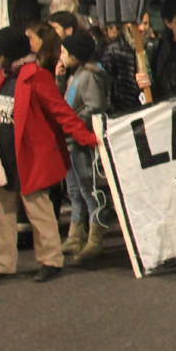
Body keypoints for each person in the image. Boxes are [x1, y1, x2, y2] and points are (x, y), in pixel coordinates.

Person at [0, 26, 98, 285]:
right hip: (4, 157)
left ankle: (51, 260)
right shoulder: (6, 78)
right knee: (1, 213)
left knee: (39, 211)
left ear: (8, 54)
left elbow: (62, 113)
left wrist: (89, 139)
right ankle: (3, 264)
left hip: (29, 157)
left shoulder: (36, 77)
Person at [57, 31, 112, 262]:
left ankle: (95, 239)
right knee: (74, 191)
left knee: (89, 190)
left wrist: (75, 122)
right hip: (70, 141)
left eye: (64, 53)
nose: (61, 56)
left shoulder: (88, 76)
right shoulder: (75, 75)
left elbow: (95, 106)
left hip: (81, 141)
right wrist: (60, 80)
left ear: (76, 55)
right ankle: (75, 236)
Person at [100, 13, 150, 113]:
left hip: (147, 107)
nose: (142, 28)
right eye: (139, 24)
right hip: (123, 109)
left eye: (146, 23)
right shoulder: (114, 50)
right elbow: (106, 84)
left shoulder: (152, 46)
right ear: (128, 24)